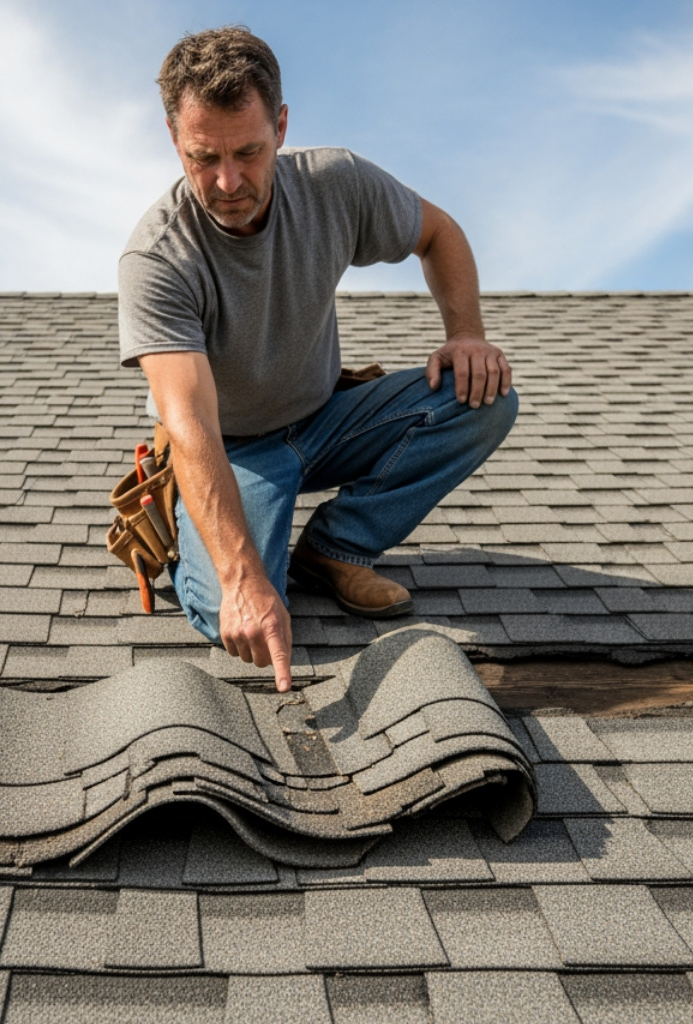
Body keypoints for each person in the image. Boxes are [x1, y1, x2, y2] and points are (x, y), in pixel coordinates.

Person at [118, 26, 516, 693]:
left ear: (280, 124)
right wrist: (244, 579)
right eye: (202, 157)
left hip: (326, 419)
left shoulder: (335, 184)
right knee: (229, 613)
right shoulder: (158, 259)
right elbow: (188, 425)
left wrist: (466, 332)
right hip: (232, 449)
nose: (227, 180)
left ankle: (334, 549)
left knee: (485, 395)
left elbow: (439, 233)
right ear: (172, 138)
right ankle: (253, 561)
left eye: (248, 151)